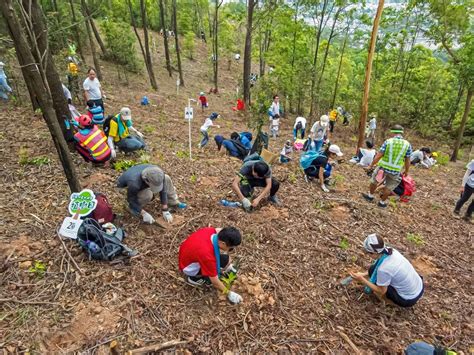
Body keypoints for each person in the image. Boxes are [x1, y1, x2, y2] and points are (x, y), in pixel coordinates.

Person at [350, 234, 424, 307]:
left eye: (367, 252)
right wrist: (363, 274)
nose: (366, 254)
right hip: (419, 286)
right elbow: (377, 267)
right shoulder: (391, 251)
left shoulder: (383, 269)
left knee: (379, 284)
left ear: (373, 253)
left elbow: (381, 290)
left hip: (408, 299)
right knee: (374, 269)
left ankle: (388, 301)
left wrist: (362, 280)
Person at [179, 226, 243, 304]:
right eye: (231, 248)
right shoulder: (208, 256)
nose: (231, 250)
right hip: (187, 266)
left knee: (226, 259)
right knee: (210, 278)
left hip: (187, 252)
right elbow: (215, 282)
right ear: (223, 243)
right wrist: (229, 293)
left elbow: (219, 229)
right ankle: (194, 278)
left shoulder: (210, 231)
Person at [117, 164, 187, 224]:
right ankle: (133, 209)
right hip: (125, 187)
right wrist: (143, 213)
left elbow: (163, 188)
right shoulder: (134, 183)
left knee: (167, 178)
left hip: (143, 182)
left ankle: (173, 202)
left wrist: (165, 209)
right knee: (147, 196)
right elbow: (131, 199)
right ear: (146, 181)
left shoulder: (158, 172)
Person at [362, 125, 412, 208]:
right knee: (389, 187)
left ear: (393, 132)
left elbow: (379, 155)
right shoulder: (407, 145)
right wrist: (406, 171)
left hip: (383, 168)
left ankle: (370, 196)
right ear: (401, 133)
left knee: (374, 181)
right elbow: (407, 160)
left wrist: (371, 165)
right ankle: (381, 203)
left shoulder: (388, 142)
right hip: (395, 170)